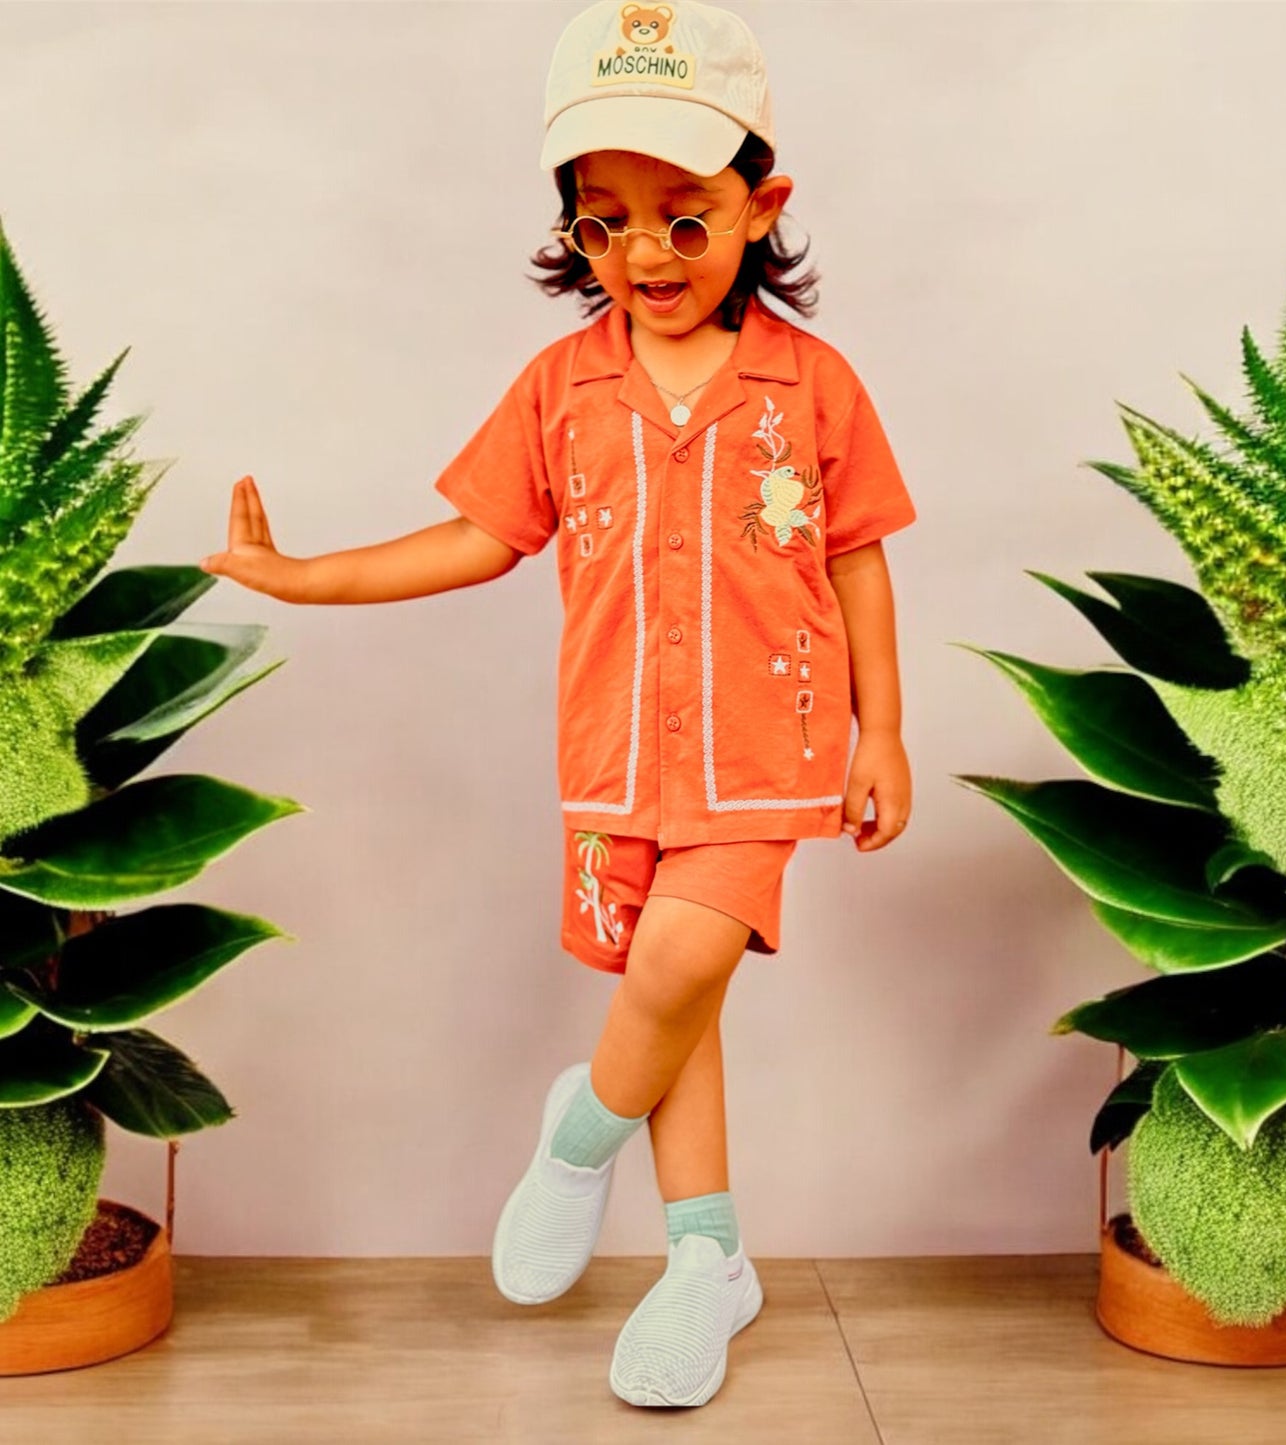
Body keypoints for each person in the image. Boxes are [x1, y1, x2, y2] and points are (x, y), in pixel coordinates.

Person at [200, 0, 915, 1410]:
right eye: (606, 221)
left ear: (761, 206)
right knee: (681, 1004)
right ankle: (707, 1256)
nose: (645, 253)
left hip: (763, 752)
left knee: (678, 964)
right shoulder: (561, 387)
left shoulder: (813, 387)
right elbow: (477, 537)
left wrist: (878, 729)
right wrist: (305, 577)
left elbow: (855, 558)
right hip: (611, 757)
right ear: (573, 225)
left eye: (684, 218)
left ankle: (579, 1130)